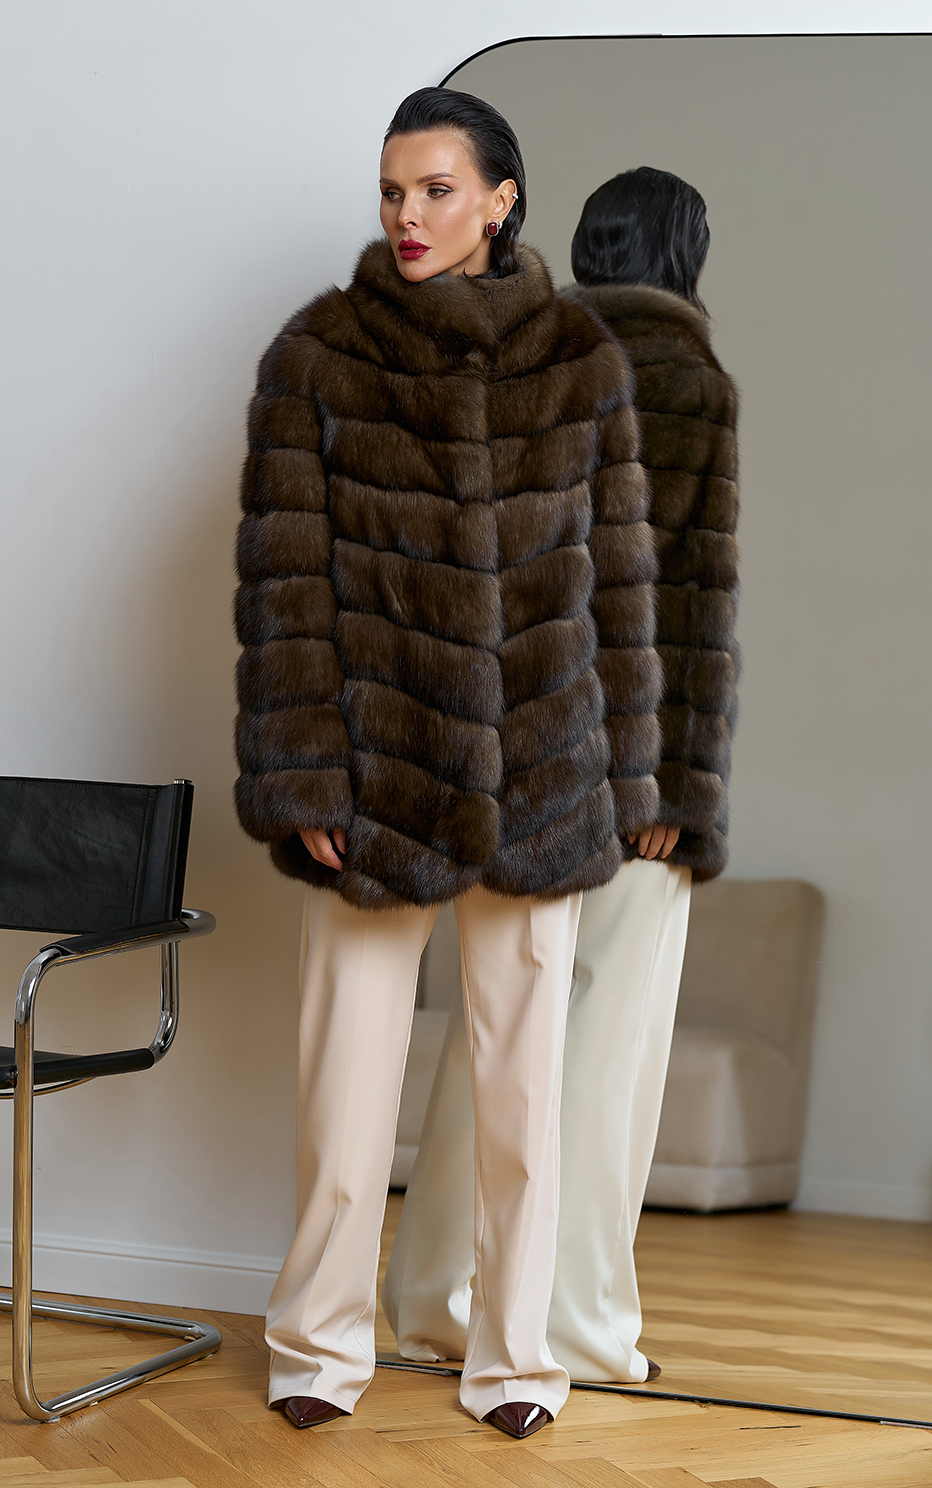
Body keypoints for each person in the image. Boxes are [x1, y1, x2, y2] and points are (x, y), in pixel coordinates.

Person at [233, 95, 662, 1437]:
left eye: (434, 189)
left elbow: (621, 588)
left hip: (541, 775)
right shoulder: (317, 357)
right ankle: (316, 1347)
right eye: (390, 191)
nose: (406, 215)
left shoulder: (581, 360)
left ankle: (515, 1361)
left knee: (523, 1104)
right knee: (343, 1096)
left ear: (501, 199)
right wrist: (305, 776)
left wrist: (627, 781)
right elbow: (287, 589)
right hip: (377, 785)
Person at [382, 166, 739, 1385]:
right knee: (601, 1054)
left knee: (487, 1040)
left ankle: (436, 1304)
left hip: (506, 757)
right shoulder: (685, 377)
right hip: (623, 778)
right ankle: (573, 1325)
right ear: (684, 253)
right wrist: (670, 788)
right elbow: (682, 602)